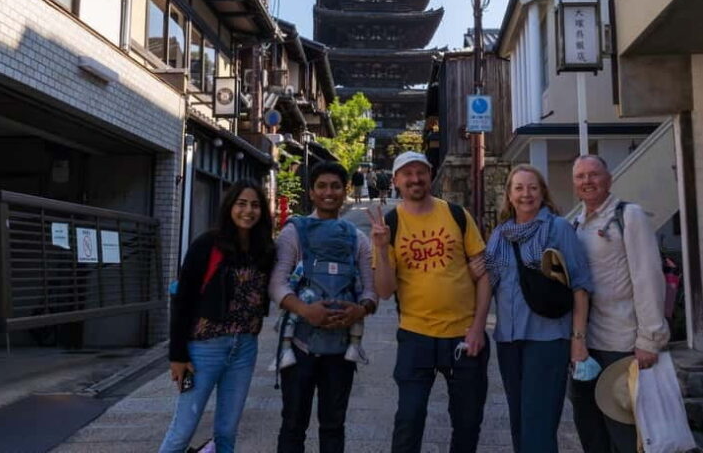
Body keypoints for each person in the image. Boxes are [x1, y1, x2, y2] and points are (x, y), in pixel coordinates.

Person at [370, 151, 490, 453]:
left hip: (463, 335)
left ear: (430, 174)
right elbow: (384, 291)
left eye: (420, 172)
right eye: (407, 173)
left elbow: (484, 275)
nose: (415, 179)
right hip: (415, 335)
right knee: (409, 419)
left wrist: (478, 328)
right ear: (396, 181)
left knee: (467, 421)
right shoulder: (390, 224)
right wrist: (382, 250)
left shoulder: (456, 215)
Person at [159, 179, 275, 453]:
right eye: (242, 204)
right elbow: (183, 300)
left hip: (245, 348)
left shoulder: (265, 249)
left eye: (255, 205)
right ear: (230, 207)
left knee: (227, 431)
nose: (248, 211)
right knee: (182, 430)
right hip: (203, 349)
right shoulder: (207, 244)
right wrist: (177, 356)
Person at [270, 161, 377, 453]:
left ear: (345, 192)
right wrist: (306, 311)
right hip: (299, 346)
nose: (329, 193)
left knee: (333, 425)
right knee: (293, 424)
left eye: (335, 186)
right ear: (312, 192)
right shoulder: (293, 232)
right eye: (322, 186)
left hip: (340, 348)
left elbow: (370, 289)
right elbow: (277, 284)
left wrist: (360, 310)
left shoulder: (358, 238)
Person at [485, 164, 593, 453]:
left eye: (532, 187)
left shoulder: (557, 228)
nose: (526, 194)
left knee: (539, 424)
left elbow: (580, 286)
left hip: (548, 339)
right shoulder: (500, 236)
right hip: (509, 340)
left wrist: (578, 341)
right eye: (518, 188)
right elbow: (488, 282)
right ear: (509, 195)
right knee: (520, 422)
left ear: (542, 192)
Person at [569, 155, 670, 453]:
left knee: (625, 434)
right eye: (580, 176)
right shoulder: (575, 223)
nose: (587, 181)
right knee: (590, 430)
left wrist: (650, 338)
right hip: (587, 345)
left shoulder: (629, 216)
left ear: (609, 179)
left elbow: (648, 276)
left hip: (623, 342)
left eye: (593, 174)